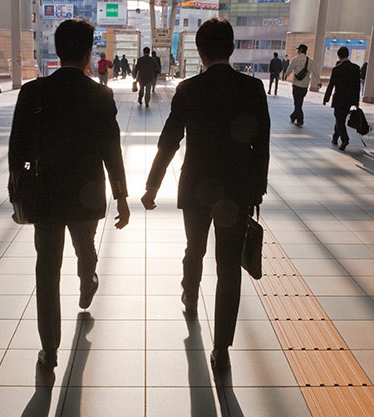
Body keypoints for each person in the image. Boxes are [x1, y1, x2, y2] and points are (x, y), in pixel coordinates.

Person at [140, 18, 270, 374]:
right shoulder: (252, 88)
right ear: (231, 48)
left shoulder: (189, 89)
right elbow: (262, 146)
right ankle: (222, 348)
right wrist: (256, 189)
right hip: (237, 191)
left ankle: (189, 294)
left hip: (196, 187)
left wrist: (152, 186)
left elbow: (170, 140)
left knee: (194, 248)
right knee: (229, 267)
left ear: (200, 51)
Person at [8, 19, 130, 369]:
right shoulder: (100, 95)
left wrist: (17, 190)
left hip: (45, 192)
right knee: (85, 244)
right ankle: (88, 276)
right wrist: (121, 195)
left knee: (46, 269)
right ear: (89, 51)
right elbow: (112, 149)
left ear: (57, 50)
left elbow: (17, 149)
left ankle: (49, 350)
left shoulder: (33, 92)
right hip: (87, 192)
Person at [323, 46, 361, 151]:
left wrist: (326, 98)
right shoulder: (356, 68)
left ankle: (345, 139)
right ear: (347, 55)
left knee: (339, 120)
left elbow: (331, 85)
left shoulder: (337, 69)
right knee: (340, 118)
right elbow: (357, 86)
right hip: (350, 99)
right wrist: (357, 100)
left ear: (339, 56)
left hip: (339, 98)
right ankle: (335, 137)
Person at [286, 44, 321, 127]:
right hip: (305, 86)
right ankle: (293, 116)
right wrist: (318, 81)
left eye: (298, 49)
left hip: (296, 84)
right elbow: (315, 72)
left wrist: (286, 75)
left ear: (301, 50)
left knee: (297, 103)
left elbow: (289, 69)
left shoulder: (295, 59)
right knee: (299, 102)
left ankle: (300, 120)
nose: (297, 51)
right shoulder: (310, 61)